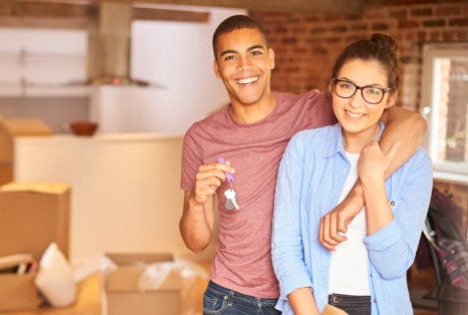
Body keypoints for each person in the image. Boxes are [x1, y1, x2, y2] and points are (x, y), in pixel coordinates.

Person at [179, 14, 427, 315]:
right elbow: (196, 243)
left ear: (271, 58)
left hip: (302, 296)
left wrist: (357, 197)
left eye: (254, 52)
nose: (244, 66)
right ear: (217, 68)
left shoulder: (314, 109)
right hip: (233, 296)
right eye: (231, 57)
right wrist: (195, 201)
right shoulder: (202, 136)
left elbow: (410, 122)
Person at [271, 33, 433, 314]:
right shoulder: (304, 148)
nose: (355, 103)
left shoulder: (415, 164)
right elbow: (286, 249)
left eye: (372, 91)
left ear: (390, 98)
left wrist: (372, 181)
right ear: (332, 87)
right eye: (346, 86)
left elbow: (394, 265)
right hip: (313, 306)